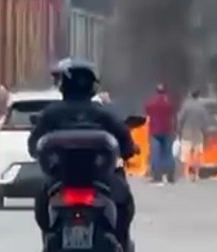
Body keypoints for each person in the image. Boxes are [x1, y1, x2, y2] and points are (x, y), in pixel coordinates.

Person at [28, 58, 136, 249]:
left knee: (42, 199)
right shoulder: (103, 113)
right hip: (101, 182)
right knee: (124, 201)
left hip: (60, 180)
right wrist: (129, 151)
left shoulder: (51, 114)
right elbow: (125, 142)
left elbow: (33, 145)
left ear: (63, 84)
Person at [143, 83, 176, 183]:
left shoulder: (151, 102)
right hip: (167, 130)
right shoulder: (169, 103)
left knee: (155, 154)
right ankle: (170, 176)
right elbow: (172, 114)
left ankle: (157, 176)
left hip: (155, 131)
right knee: (168, 154)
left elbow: (147, 111)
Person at [177, 90, 211, 182]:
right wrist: (206, 134)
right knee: (197, 156)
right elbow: (206, 123)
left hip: (187, 134)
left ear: (190, 95)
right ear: (198, 96)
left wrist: (178, 131)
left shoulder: (186, 106)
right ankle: (196, 175)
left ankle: (186, 174)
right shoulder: (202, 108)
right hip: (198, 135)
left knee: (186, 155)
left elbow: (180, 119)